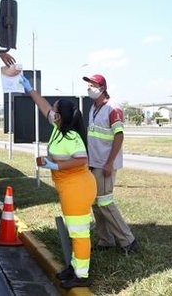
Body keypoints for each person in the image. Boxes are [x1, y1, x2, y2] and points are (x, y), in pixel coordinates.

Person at [20, 75, 96, 289]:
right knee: (74, 231)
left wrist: (55, 166)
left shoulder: (71, 136)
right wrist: (30, 90)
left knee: (79, 233)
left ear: (61, 116)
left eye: (55, 109)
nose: (52, 111)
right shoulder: (58, 126)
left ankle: (82, 275)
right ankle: (74, 267)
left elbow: (82, 159)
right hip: (68, 187)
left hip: (77, 188)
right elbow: (43, 106)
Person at [82, 74, 138, 254]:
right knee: (96, 202)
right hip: (94, 162)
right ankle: (106, 240)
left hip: (105, 163)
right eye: (88, 85)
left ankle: (128, 241)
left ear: (102, 87)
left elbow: (119, 136)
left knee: (105, 202)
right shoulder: (94, 107)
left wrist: (109, 163)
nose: (89, 87)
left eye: (93, 84)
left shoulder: (113, 108)